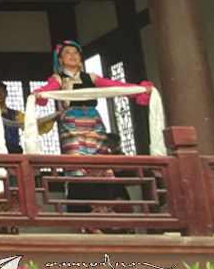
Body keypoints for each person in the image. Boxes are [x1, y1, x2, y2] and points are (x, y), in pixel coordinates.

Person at [34, 40, 152, 215]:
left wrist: (138, 89)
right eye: (67, 53)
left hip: (93, 121)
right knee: (76, 164)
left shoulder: (92, 77)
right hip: (72, 123)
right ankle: (82, 212)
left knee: (101, 162)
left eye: (76, 52)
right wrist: (39, 94)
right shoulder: (58, 79)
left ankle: (108, 208)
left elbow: (115, 86)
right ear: (60, 60)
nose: (73, 56)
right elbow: (47, 89)